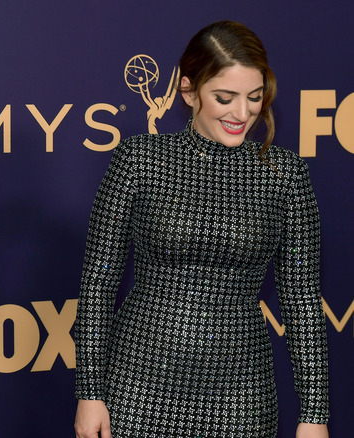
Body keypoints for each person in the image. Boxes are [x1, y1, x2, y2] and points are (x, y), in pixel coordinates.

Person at [73, 21, 329, 438]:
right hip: (137, 382)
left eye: (254, 97)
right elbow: (99, 282)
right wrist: (89, 392)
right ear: (189, 92)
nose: (243, 113)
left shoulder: (285, 175)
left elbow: (301, 302)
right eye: (224, 98)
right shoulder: (140, 161)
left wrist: (314, 415)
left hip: (241, 391)